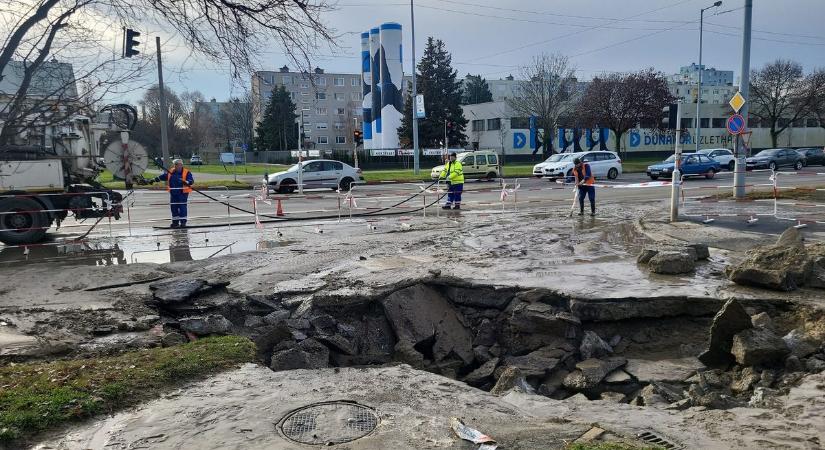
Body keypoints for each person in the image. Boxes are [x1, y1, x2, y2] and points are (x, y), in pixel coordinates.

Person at [148, 159, 194, 228]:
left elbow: (191, 181)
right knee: (174, 208)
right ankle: (175, 223)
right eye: (174, 164)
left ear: (181, 165)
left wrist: (186, 182)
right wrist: (153, 180)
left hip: (182, 193)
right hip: (173, 194)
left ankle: (183, 223)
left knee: (182, 208)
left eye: (176, 164)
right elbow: (163, 177)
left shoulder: (186, 172)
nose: (175, 166)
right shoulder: (171, 171)